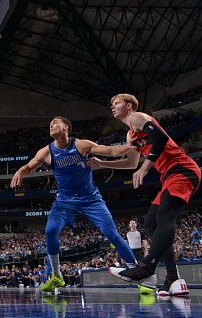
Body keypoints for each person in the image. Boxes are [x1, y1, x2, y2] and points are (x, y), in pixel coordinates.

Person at [11, 116, 138, 293]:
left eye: (56, 123)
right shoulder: (46, 151)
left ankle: (139, 274)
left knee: (113, 235)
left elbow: (111, 151)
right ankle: (57, 276)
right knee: (50, 231)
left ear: (66, 128)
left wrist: (128, 145)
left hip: (91, 199)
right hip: (64, 201)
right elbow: (29, 166)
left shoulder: (81, 145)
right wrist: (20, 171)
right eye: (50, 124)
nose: (52, 126)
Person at [92, 93, 200, 295]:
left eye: (117, 103)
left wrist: (145, 168)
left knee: (164, 217)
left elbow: (160, 137)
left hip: (182, 169)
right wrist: (102, 163)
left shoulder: (138, 117)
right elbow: (131, 163)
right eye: (111, 103)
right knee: (151, 223)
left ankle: (146, 267)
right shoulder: (130, 133)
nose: (113, 107)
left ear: (129, 105)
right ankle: (172, 279)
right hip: (169, 176)